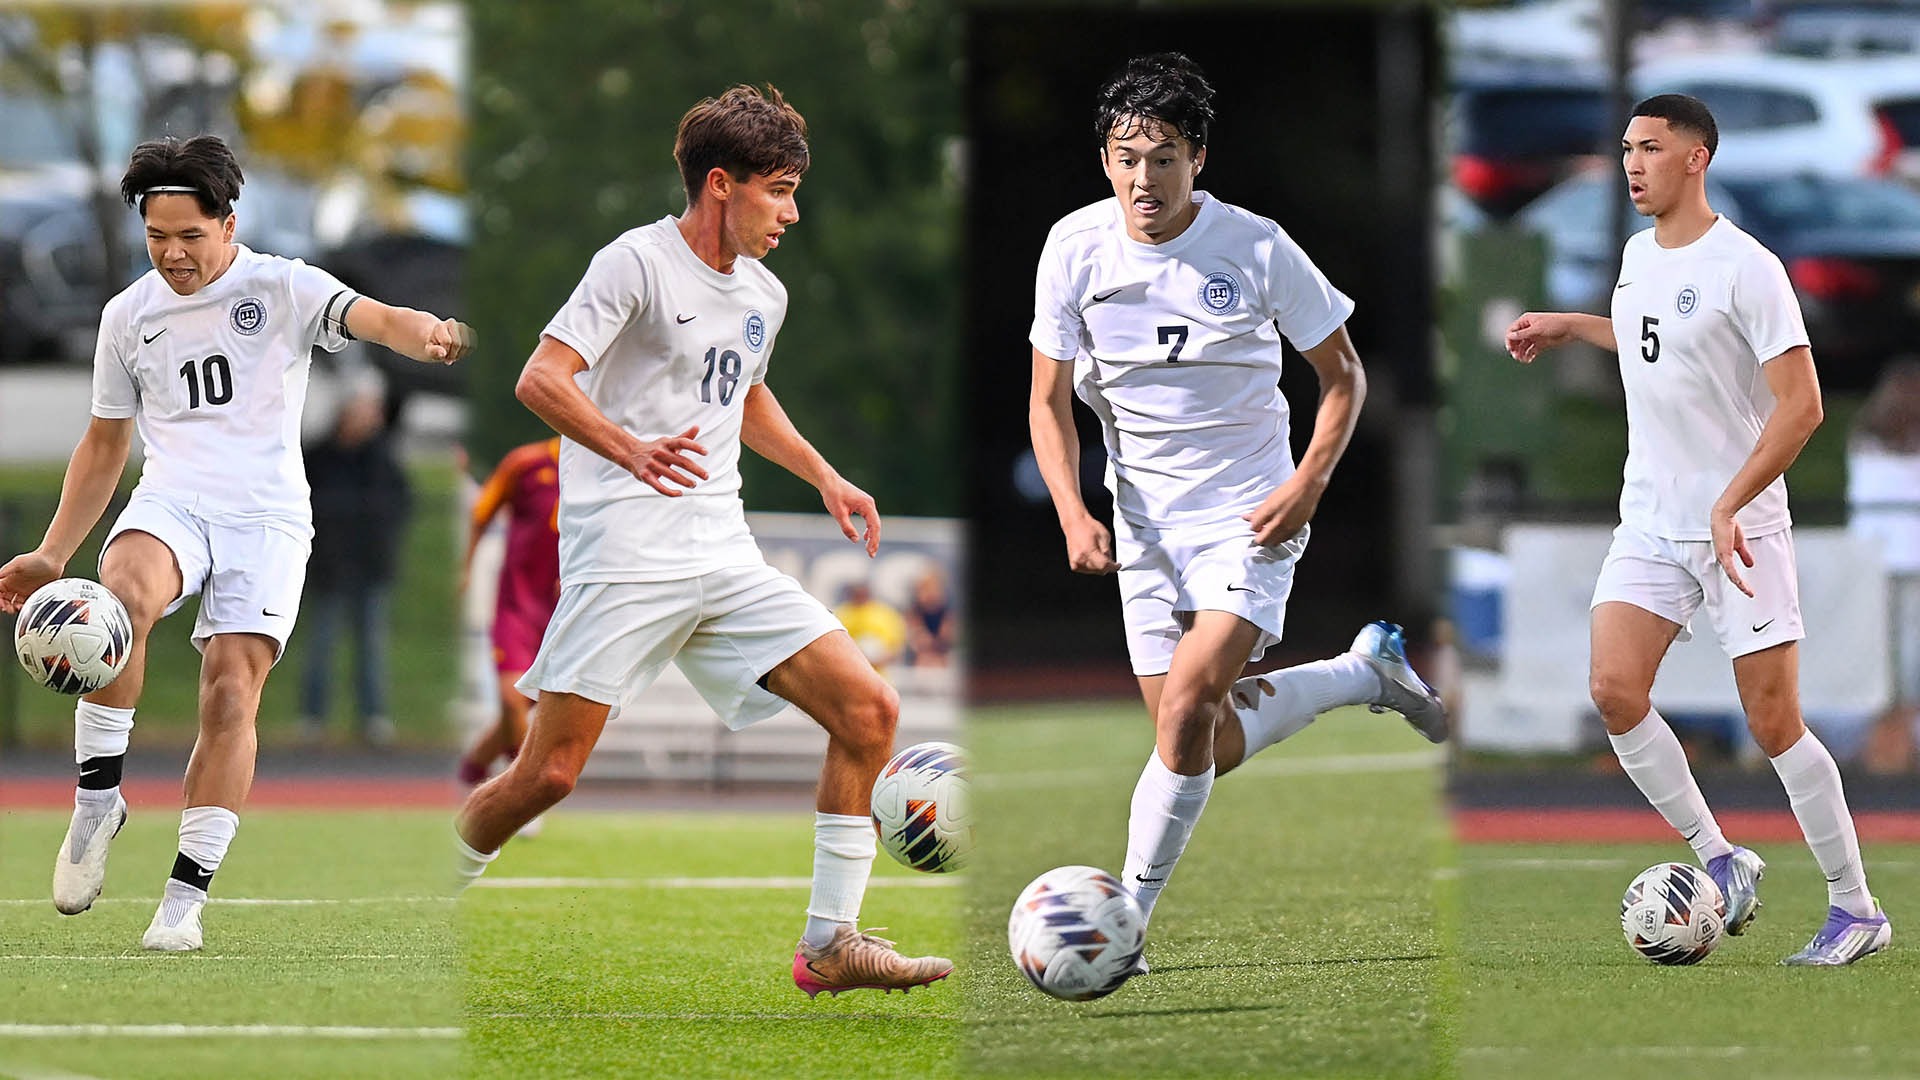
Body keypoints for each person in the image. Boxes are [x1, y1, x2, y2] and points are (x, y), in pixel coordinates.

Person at [450, 85, 951, 997]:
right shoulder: (633, 264)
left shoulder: (764, 290)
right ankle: (438, 884)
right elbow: (541, 378)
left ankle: (830, 943)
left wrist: (826, 476)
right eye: (779, 190)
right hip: (626, 556)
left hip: (723, 552)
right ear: (721, 185)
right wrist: (629, 448)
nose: (792, 213)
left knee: (869, 713)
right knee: (549, 775)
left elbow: (745, 395)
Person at [1027, 53, 1447, 974]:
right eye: (1130, 157)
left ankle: (1122, 928)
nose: (1147, 178)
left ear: (1199, 159)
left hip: (1248, 514)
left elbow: (1343, 377)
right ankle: (1362, 673)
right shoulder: (1073, 248)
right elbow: (1046, 401)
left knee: (1184, 713)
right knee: (1201, 738)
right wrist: (1071, 509)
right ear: (1106, 160)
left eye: (1167, 157)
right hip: (1141, 526)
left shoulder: (1255, 247)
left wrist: (1305, 485)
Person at [0, 134, 472, 951]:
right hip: (175, 499)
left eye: (189, 235)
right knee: (119, 599)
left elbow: (373, 316)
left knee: (228, 694)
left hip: (268, 519)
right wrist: (49, 554)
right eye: (157, 236)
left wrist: (422, 332)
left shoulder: (281, 286)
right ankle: (97, 799)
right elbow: (105, 444)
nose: (172, 254)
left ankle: (183, 902)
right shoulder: (128, 315)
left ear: (228, 223)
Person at [1505, 94, 1890, 965]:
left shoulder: (1748, 266)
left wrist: (1728, 504)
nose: (1633, 163)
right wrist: (1574, 327)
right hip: (1649, 518)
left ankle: (1856, 908)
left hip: (1740, 529)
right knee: (1613, 688)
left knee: (1775, 723)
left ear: (1697, 158)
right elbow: (1659, 346)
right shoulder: (1639, 254)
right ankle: (1720, 855)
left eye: (1650, 148)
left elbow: (1804, 408)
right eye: (1627, 149)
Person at [298, 380, 412, 746]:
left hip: (370, 567)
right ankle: (313, 718)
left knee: (371, 647)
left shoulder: (382, 461)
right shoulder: (317, 457)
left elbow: (399, 507)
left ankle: (373, 717)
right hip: (329, 568)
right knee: (321, 644)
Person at [455, 437, 561, 803]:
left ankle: (471, 771)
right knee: (512, 699)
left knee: (519, 710)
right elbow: (481, 512)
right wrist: (465, 569)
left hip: (565, 612)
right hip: (517, 606)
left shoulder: (613, 467)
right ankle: (522, 791)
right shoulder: (526, 464)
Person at [1849, 359, 1920, 772]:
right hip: (1874, 564)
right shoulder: (1869, 439)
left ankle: (1901, 737)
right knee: (1876, 657)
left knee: (1910, 658)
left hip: (1908, 563)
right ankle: (1880, 740)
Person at [835, 581, 907, 672]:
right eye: (857, 595)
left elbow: (897, 646)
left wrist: (881, 659)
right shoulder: (842, 614)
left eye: (862, 594)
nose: (860, 598)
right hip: (850, 672)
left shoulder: (885, 614)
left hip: (879, 675)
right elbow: (835, 646)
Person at [904, 567, 956, 668]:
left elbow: (947, 636)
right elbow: (917, 637)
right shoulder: (915, 609)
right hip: (921, 652)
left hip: (940, 652)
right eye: (926, 589)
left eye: (934, 588)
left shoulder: (945, 610)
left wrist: (938, 645)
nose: (930, 593)